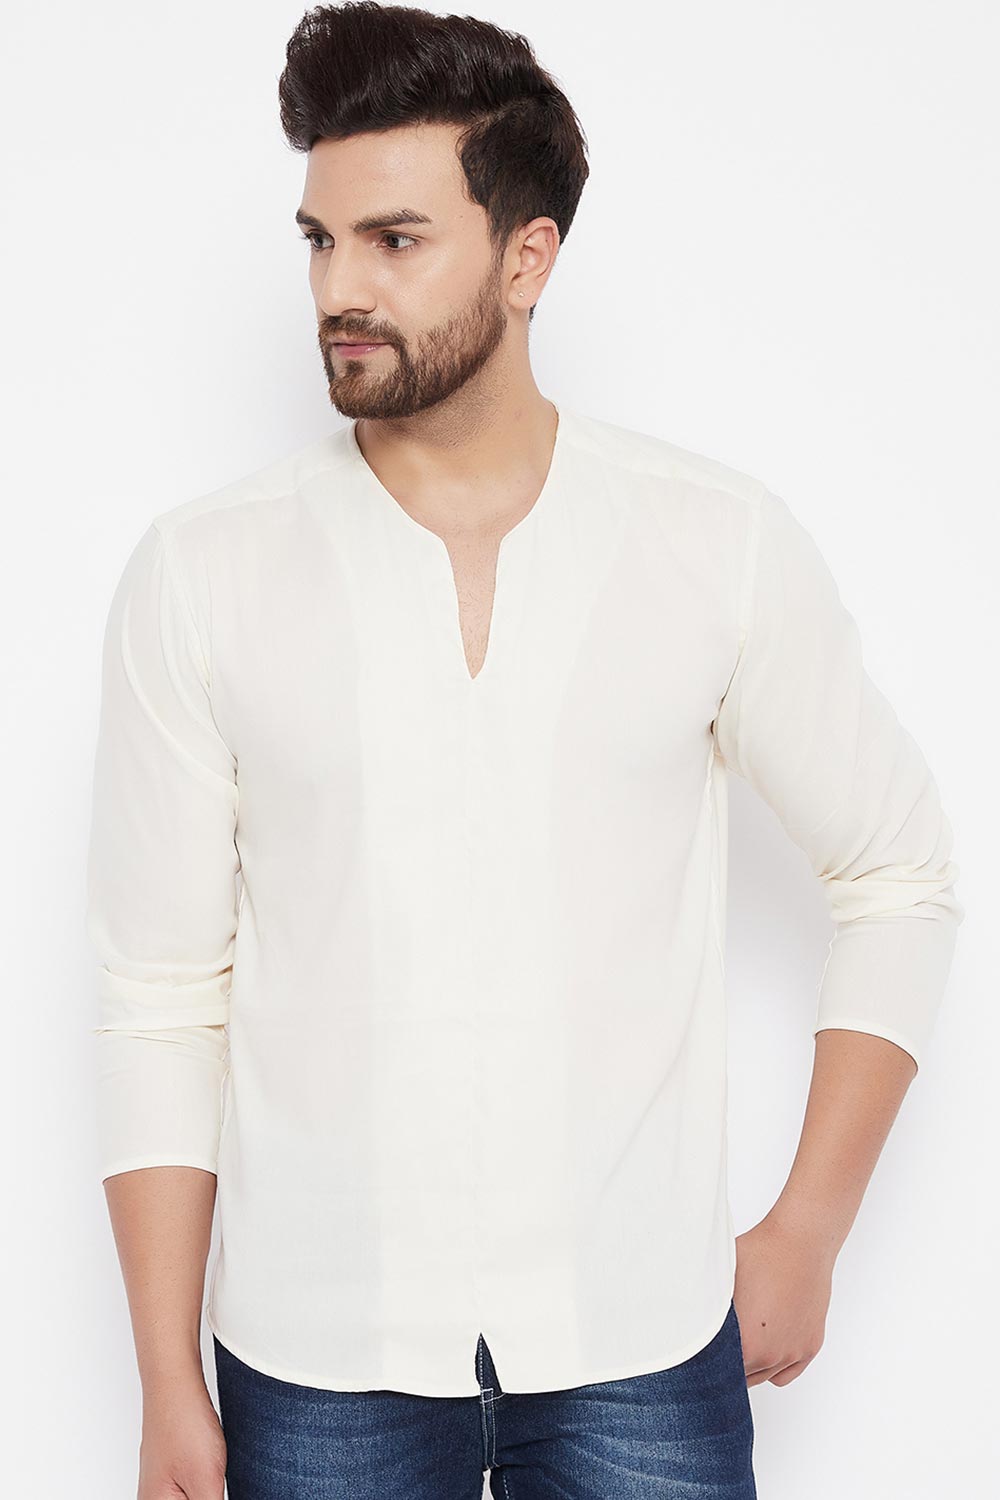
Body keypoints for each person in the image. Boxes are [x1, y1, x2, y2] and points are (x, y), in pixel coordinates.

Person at [85, 3, 963, 1497]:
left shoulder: (713, 544)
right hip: (317, 1360)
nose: (340, 288)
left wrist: (811, 1228)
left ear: (527, 256)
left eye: (396, 241)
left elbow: (898, 870)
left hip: (643, 1339)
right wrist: (167, 1378)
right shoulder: (202, 573)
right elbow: (158, 995)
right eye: (319, 240)